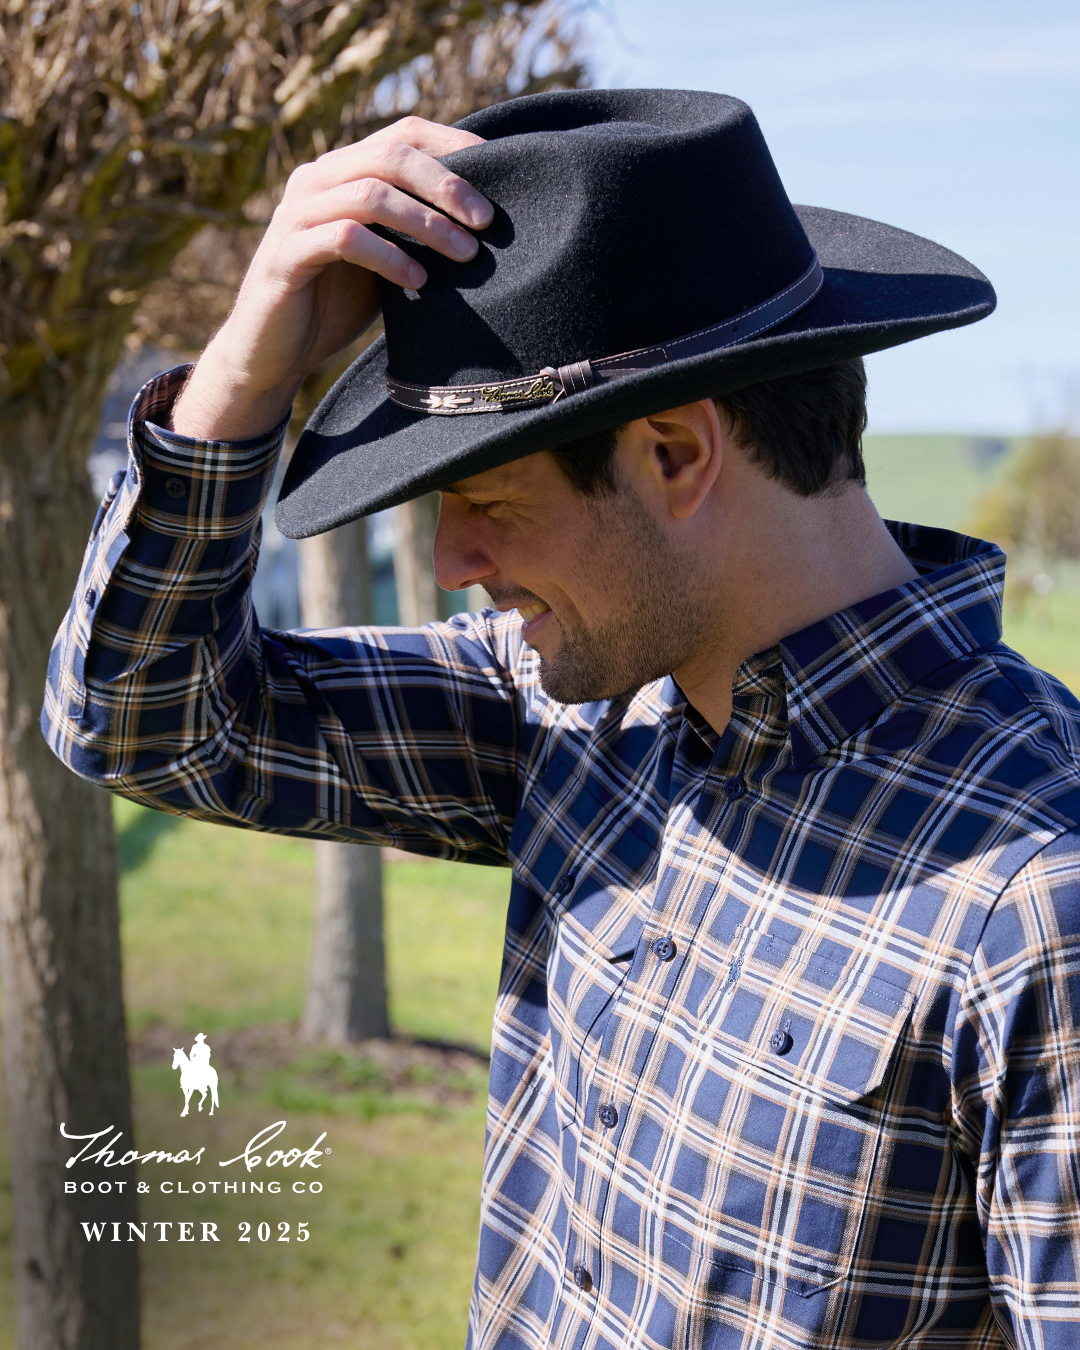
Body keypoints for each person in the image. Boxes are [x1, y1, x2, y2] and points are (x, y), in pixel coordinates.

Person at [43, 89, 1080, 1348]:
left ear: (676, 454)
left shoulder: (1038, 896)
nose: (451, 564)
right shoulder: (574, 718)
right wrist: (244, 373)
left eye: (487, 498)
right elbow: (140, 720)